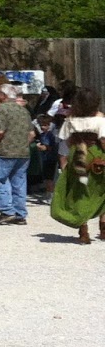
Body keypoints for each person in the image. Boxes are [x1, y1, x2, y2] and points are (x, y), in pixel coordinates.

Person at [51, 88, 105, 244]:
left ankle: (83, 231)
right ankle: (103, 228)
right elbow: (103, 141)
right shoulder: (101, 119)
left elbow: (66, 141)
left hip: (78, 156)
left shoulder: (70, 119)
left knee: (80, 192)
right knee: (101, 191)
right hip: (98, 156)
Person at [0, 84, 36, 226]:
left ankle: (7, 211)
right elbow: (31, 134)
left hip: (5, 151)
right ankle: (20, 214)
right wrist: (23, 144)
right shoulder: (23, 111)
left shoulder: (2, 110)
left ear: (3, 95)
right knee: (19, 183)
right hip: (23, 152)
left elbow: (0, 131)